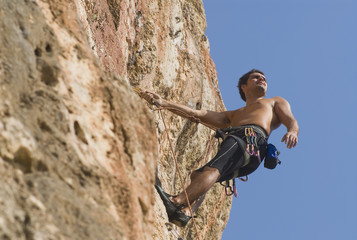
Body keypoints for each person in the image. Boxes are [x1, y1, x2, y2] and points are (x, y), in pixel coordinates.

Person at [139, 69, 299, 227]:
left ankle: (176, 201)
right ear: (244, 86)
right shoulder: (233, 115)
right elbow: (197, 114)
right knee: (199, 175)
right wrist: (165, 103)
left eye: (264, 78)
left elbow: (291, 120)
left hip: (249, 138)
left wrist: (292, 131)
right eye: (256, 77)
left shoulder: (275, 101)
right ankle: (185, 212)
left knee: (212, 170)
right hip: (250, 152)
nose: (262, 79)